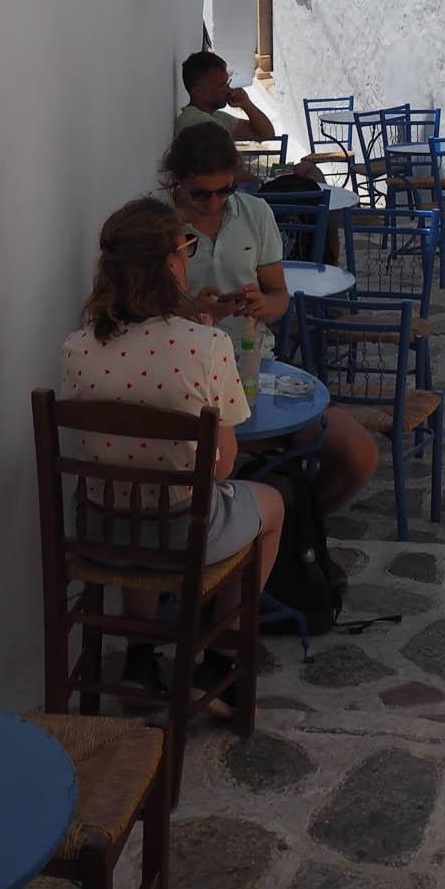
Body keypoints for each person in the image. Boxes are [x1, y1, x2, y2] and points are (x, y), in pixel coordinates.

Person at [59, 196, 285, 699]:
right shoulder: (206, 347)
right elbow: (223, 468)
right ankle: (220, 656)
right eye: (186, 249)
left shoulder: (77, 346)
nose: (189, 257)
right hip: (180, 538)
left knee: (136, 492)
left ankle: (139, 657)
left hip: (97, 528)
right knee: (270, 507)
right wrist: (202, 342)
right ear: (170, 265)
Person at [159, 122, 379, 514]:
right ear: (178, 181)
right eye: (201, 194)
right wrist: (193, 311)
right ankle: (251, 536)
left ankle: (291, 531)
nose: (214, 203)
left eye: (225, 190)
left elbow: (280, 297)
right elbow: (143, 312)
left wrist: (262, 303)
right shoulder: (159, 225)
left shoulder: (254, 212)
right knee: (218, 470)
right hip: (185, 373)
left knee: (358, 453)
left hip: (253, 364)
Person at [175, 49, 276, 143]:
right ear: (197, 91)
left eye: (227, 83)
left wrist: (247, 104)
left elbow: (267, 134)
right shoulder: (193, 120)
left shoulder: (217, 117)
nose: (228, 89)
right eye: (221, 85)